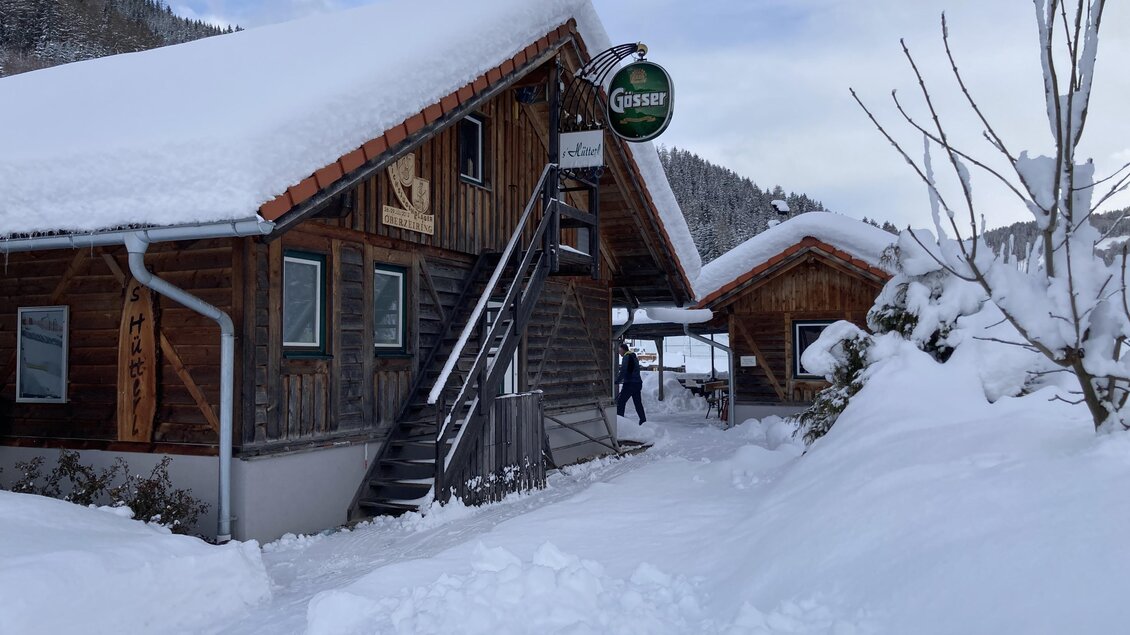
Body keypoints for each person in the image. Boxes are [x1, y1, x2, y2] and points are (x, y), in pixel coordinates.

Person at [615, 342, 646, 425]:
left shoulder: (626, 357)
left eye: (619, 350)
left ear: (623, 349)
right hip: (637, 383)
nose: (619, 352)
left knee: (621, 402)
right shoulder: (633, 356)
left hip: (630, 384)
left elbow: (624, 370)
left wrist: (617, 380)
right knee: (638, 403)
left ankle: (619, 422)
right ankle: (643, 421)